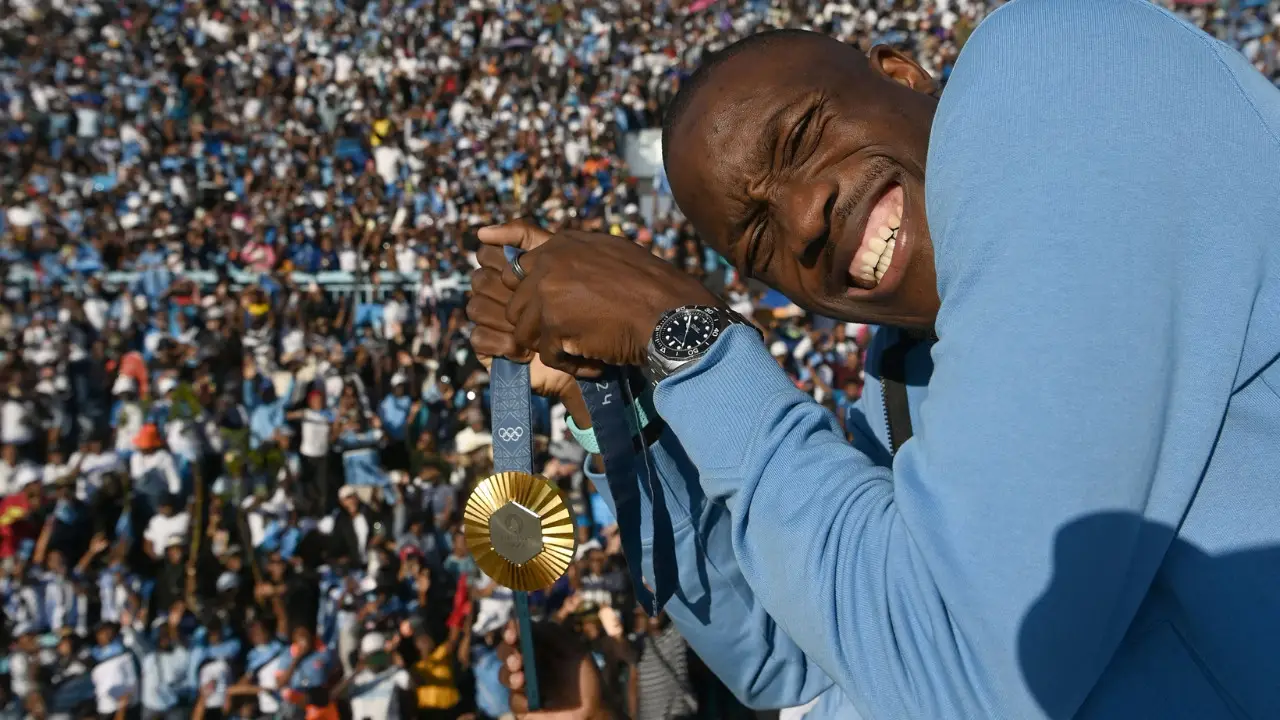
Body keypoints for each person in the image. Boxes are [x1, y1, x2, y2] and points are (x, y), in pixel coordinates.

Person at [467, 4, 1280, 720]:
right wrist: (621, 406)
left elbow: (965, 674)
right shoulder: (901, 387)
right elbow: (787, 657)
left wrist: (688, 340)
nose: (804, 217)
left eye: (800, 136)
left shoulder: (1055, 64)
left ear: (905, 73)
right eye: (758, 240)